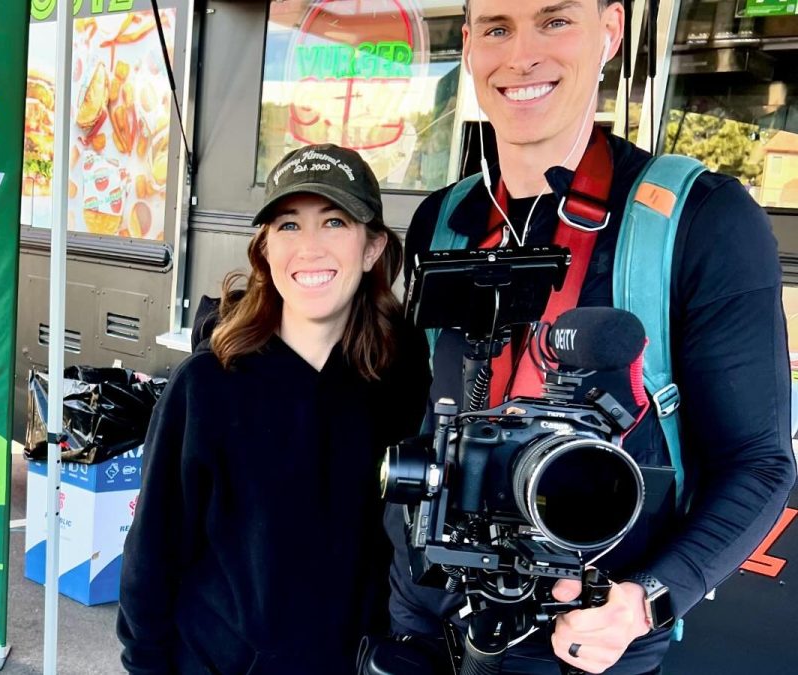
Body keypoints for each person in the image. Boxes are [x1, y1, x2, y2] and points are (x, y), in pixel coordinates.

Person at [386, 1, 798, 674]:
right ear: (468, 44)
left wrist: (645, 602)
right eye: (497, 28)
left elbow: (760, 462)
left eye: (554, 21)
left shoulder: (703, 219)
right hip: (422, 626)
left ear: (609, 32)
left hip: (584, 644)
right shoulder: (445, 219)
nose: (522, 55)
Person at [118, 144, 430, 675]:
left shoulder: (401, 380)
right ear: (264, 249)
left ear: (372, 247)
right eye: (288, 225)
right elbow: (151, 558)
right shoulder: (207, 386)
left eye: (334, 222)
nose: (309, 247)